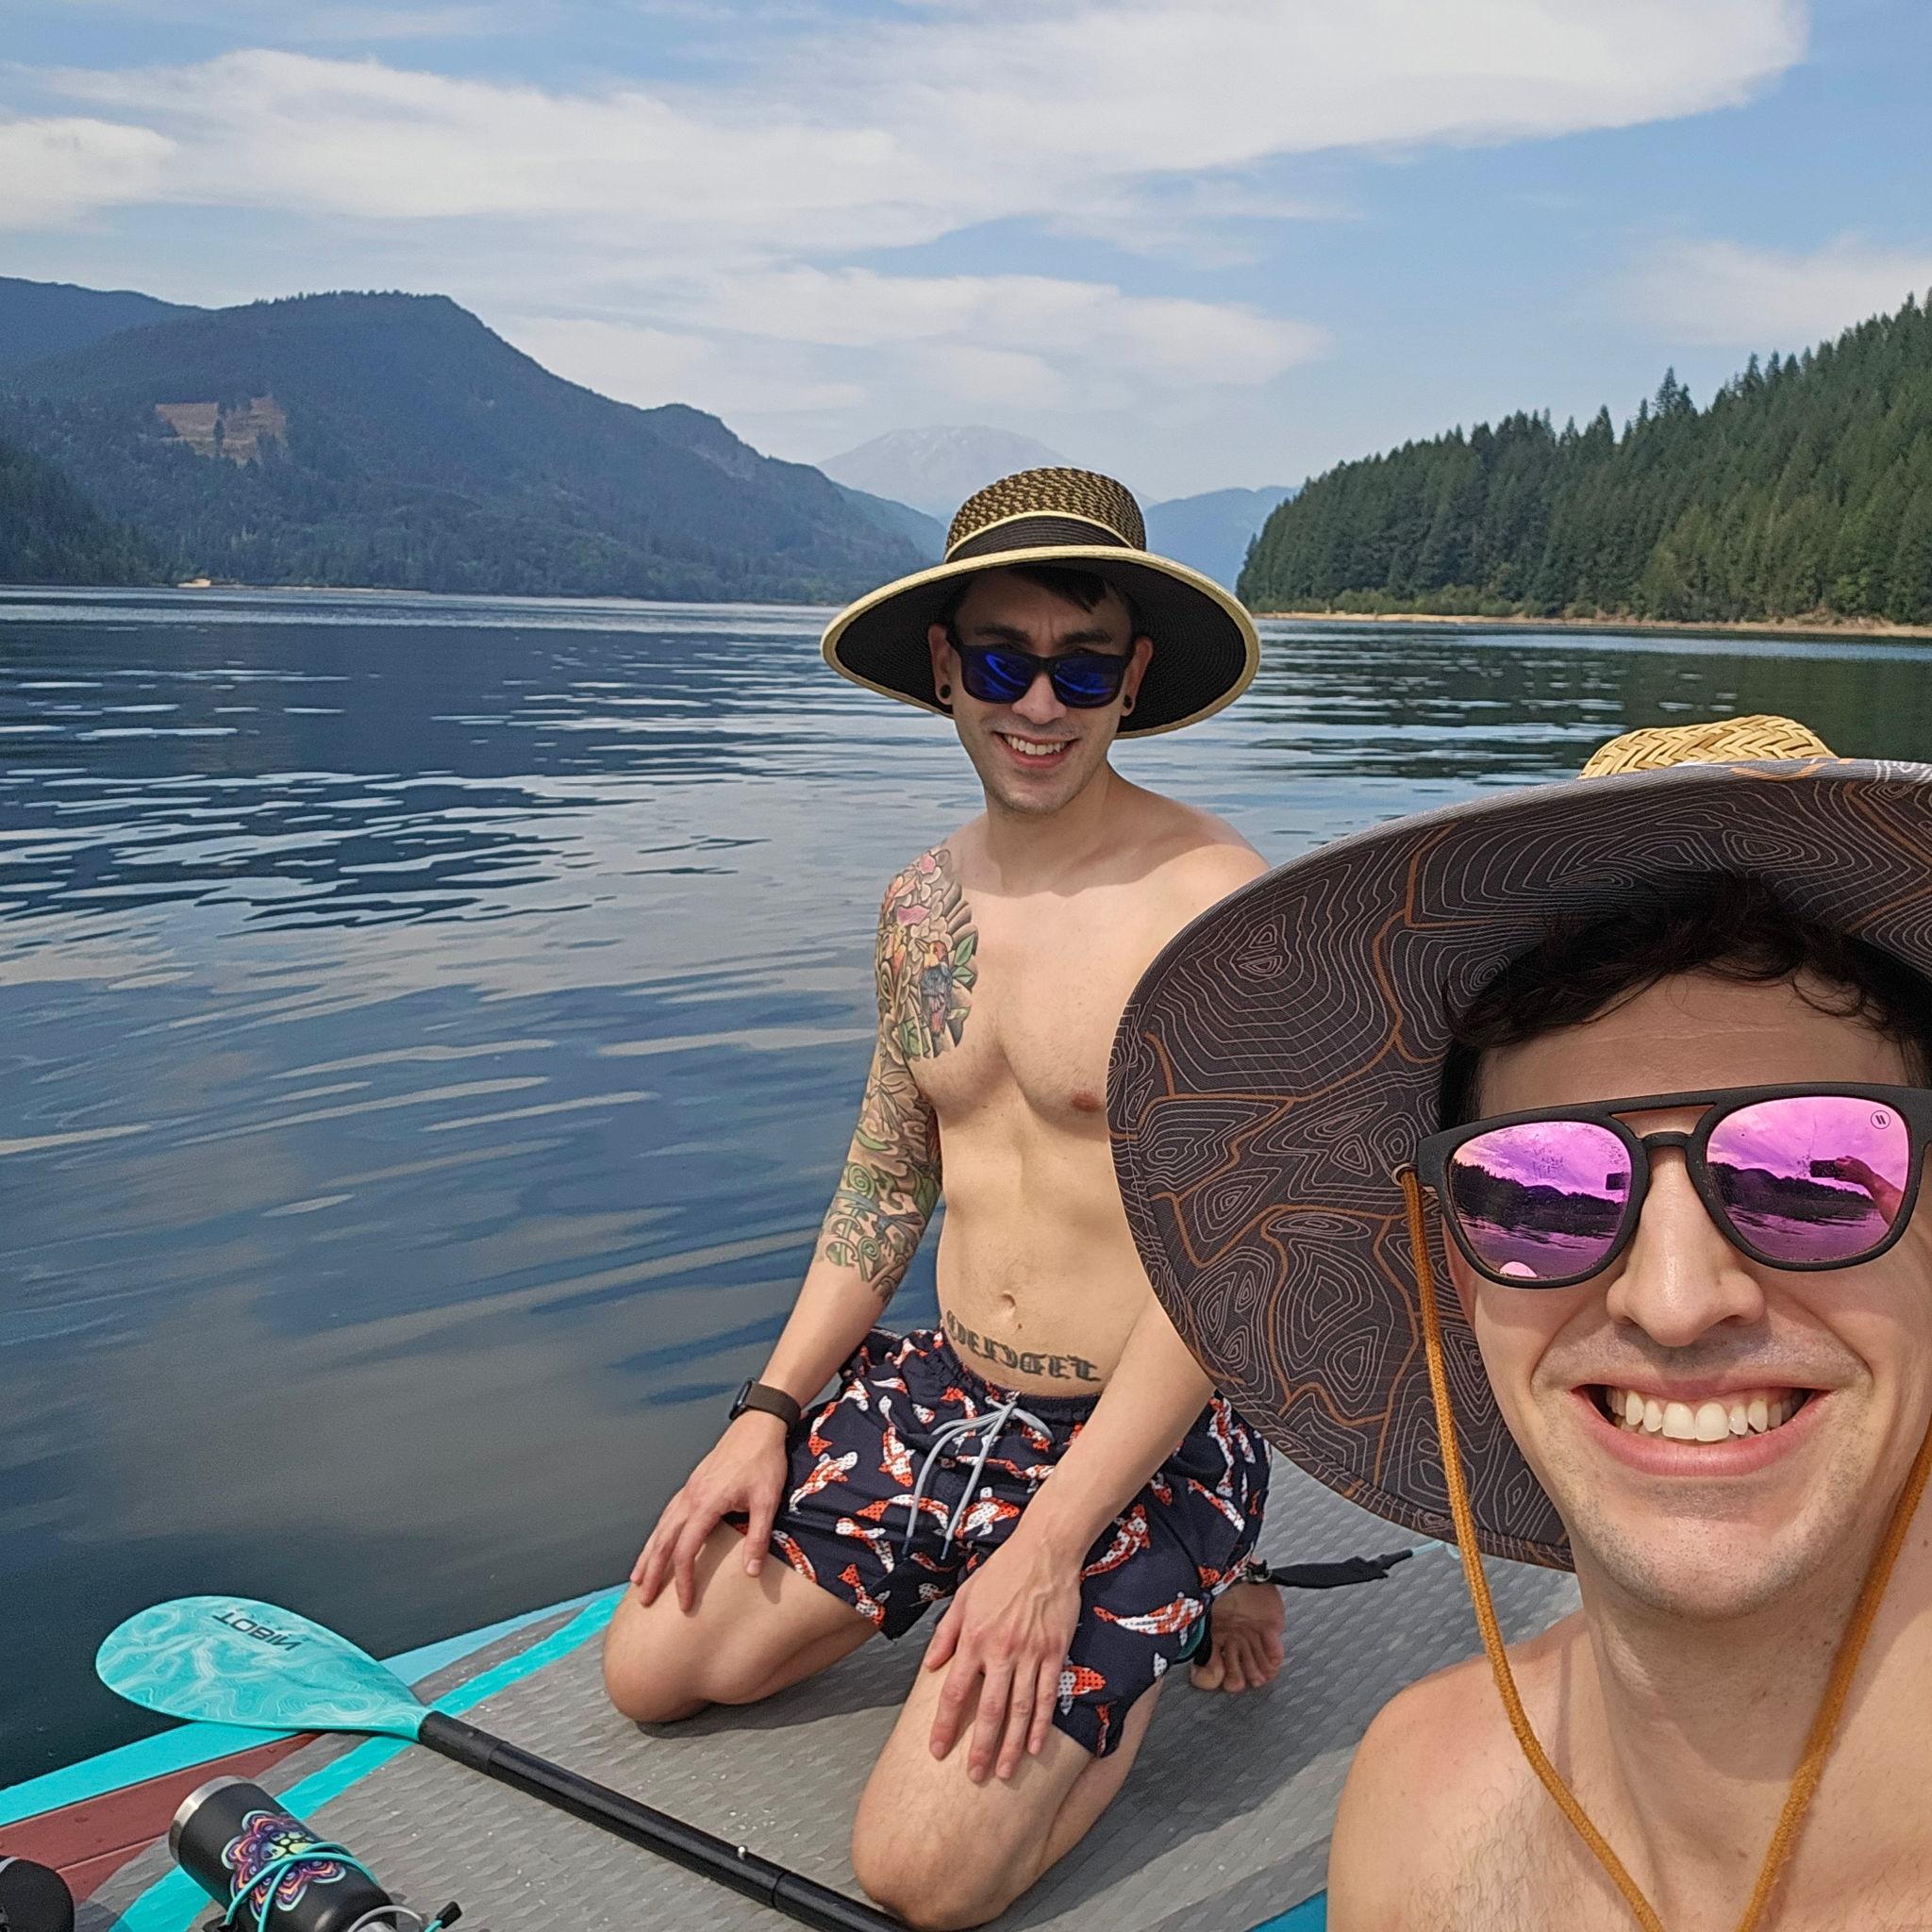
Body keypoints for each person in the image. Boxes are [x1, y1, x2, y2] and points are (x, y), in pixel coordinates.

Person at [1108, 715, 1932, 1930]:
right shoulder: (1418, 1808)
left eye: (1814, 1169)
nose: (1675, 1298)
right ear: (1458, 1271)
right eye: (1539, 1190)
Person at [603, 468, 1287, 1930]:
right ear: (942, 666)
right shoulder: (922, 903)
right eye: (1001, 660)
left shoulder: (1213, 907)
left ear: (1134, 676)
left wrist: (1052, 1551)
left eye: (1082, 665)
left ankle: (1188, 1576)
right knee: (653, 1671)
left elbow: (1228, 1269)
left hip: (1145, 1437)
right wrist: (766, 1412)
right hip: (951, 1394)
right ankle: (987, 1558)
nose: (1039, 705)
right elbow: (888, 1176)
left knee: (922, 1875)